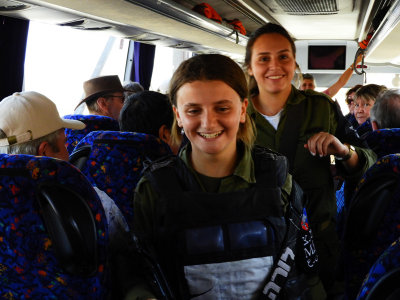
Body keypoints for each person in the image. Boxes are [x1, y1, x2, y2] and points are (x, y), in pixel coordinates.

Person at [129, 54, 319, 299]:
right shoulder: (153, 188)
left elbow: (306, 271)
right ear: (178, 115)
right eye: (194, 110)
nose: (208, 123)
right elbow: (139, 271)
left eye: (222, 108)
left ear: (242, 110)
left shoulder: (277, 178)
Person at [244, 23, 376, 298]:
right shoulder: (235, 113)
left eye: (283, 56)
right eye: (263, 58)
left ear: (294, 64)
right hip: (255, 245)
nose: (275, 66)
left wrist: (343, 151)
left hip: (317, 240)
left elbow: (369, 161)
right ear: (249, 67)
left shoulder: (322, 107)